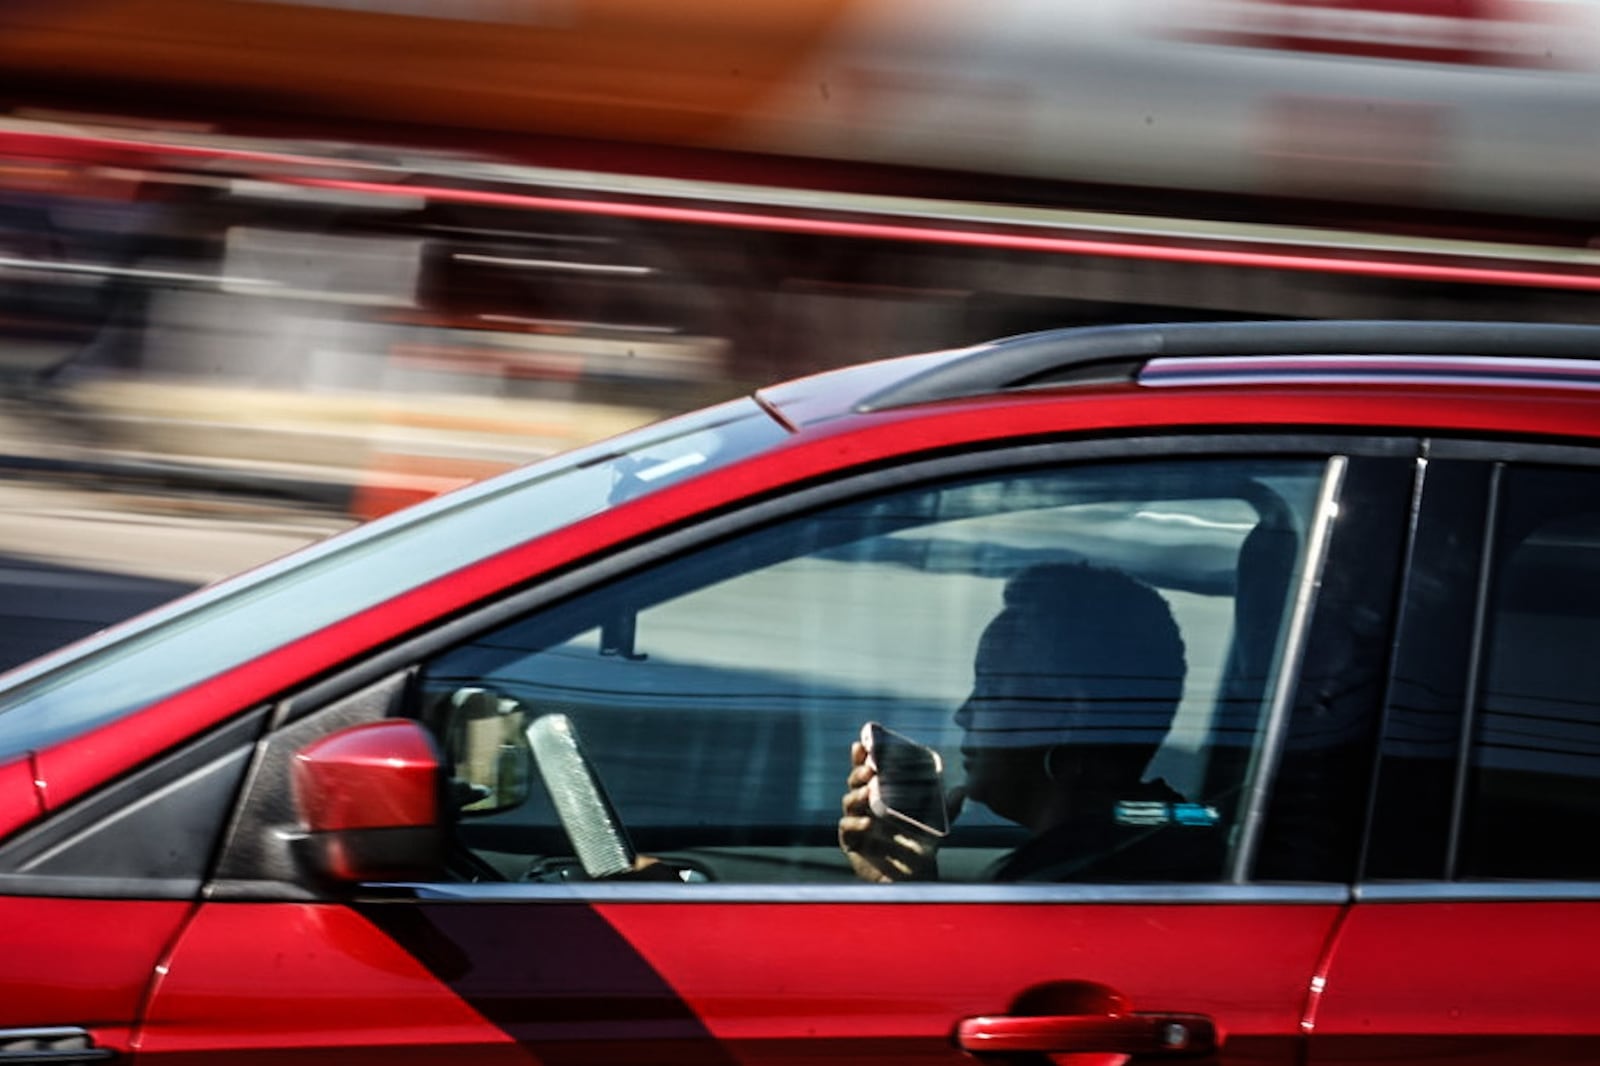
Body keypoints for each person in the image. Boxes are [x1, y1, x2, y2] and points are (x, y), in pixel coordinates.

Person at [839, 561, 1222, 883]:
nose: (964, 713)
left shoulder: (1061, 883)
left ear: (1069, 716)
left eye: (988, 688)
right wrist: (913, 883)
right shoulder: (1161, 834)